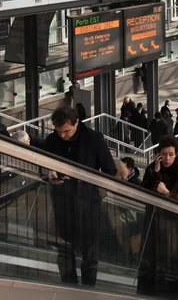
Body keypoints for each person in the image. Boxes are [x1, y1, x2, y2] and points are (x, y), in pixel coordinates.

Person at [45, 106, 117, 287]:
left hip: (88, 205)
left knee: (89, 255)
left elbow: (110, 170)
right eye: (58, 131)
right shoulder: (52, 140)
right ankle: (70, 290)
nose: (62, 135)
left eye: (66, 131)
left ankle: (87, 292)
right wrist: (49, 175)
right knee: (65, 253)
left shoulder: (93, 139)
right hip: (63, 205)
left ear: (77, 123)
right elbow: (43, 165)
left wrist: (93, 185)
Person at [138, 135, 178, 298]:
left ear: (176, 154)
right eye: (164, 154)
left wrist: (169, 194)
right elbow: (142, 194)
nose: (167, 158)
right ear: (158, 154)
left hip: (174, 234)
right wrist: (155, 174)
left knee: (172, 279)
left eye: (171, 154)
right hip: (152, 230)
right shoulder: (151, 170)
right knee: (152, 278)